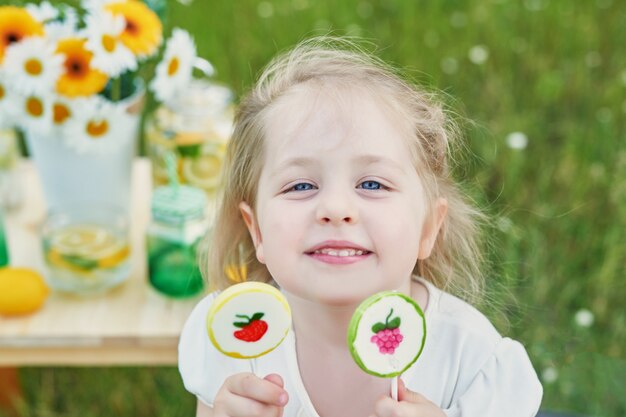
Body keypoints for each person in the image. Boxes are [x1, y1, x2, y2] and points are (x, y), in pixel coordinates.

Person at [179, 37, 543, 417]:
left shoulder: (470, 359)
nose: (336, 209)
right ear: (256, 231)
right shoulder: (233, 336)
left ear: (428, 229)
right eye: (301, 185)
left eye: (372, 184)